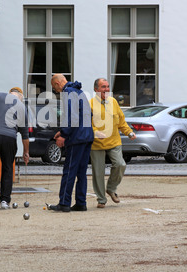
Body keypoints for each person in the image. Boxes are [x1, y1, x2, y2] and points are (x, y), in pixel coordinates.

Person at [47, 74, 94, 212]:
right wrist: (61, 132)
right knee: (81, 172)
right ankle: (81, 202)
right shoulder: (80, 92)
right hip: (87, 136)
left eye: (54, 87)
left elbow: (71, 116)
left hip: (76, 138)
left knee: (69, 170)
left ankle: (64, 203)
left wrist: (64, 134)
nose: (56, 91)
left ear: (58, 83)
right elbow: (87, 115)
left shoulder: (68, 92)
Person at [90, 78, 136, 208]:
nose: (106, 89)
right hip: (97, 143)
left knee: (120, 164)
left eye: (107, 86)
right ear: (96, 89)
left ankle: (111, 188)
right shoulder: (90, 104)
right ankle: (101, 199)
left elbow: (121, 121)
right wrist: (95, 132)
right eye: (103, 87)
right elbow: (86, 124)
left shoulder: (114, 102)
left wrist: (129, 132)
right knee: (98, 172)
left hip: (114, 141)